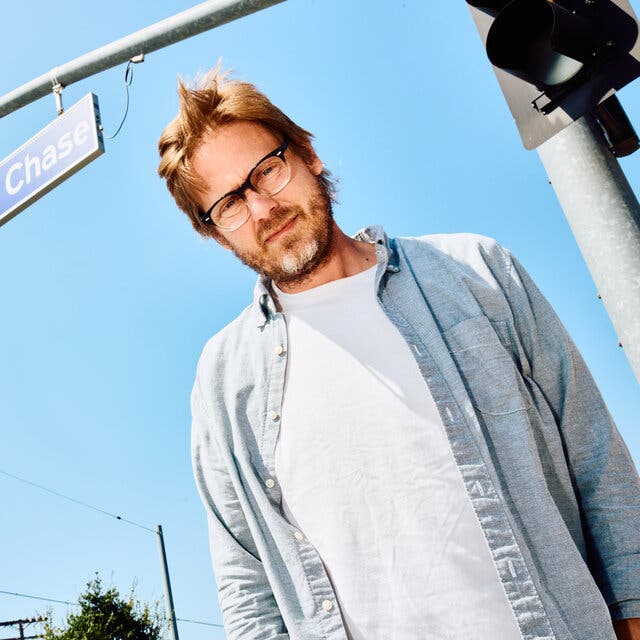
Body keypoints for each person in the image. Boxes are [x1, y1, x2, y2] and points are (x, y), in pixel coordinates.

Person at [157, 68, 640, 640]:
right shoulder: (223, 379)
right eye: (230, 204)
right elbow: (246, 585)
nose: (262, 209)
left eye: (267, 171)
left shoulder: (477, 273)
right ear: (216, 233)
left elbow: (596, 459)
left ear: (307, 153)